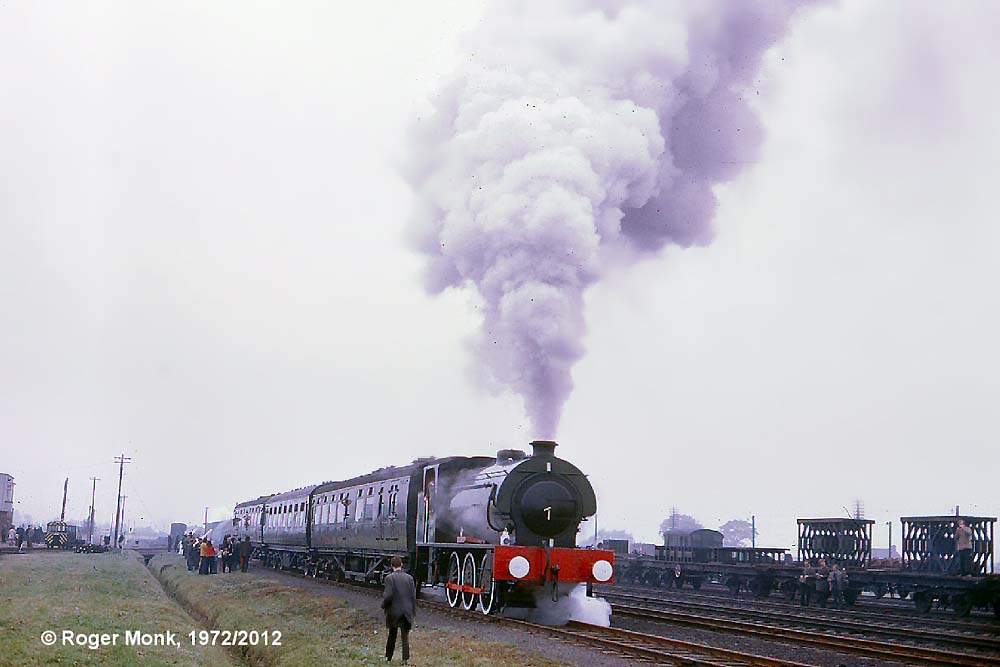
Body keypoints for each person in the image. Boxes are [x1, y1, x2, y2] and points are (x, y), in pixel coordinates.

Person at [382, 556, 416, 664]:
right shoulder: (409, 578)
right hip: (406, 612)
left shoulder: (389, 578)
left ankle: (388, 657)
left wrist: (383, 605)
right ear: (401, 565)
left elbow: (388, 596)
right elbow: (413, 596)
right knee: (405, 637)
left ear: (392, 566)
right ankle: (405, 659)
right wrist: (413, 611)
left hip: (394, 612)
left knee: (392, 635)